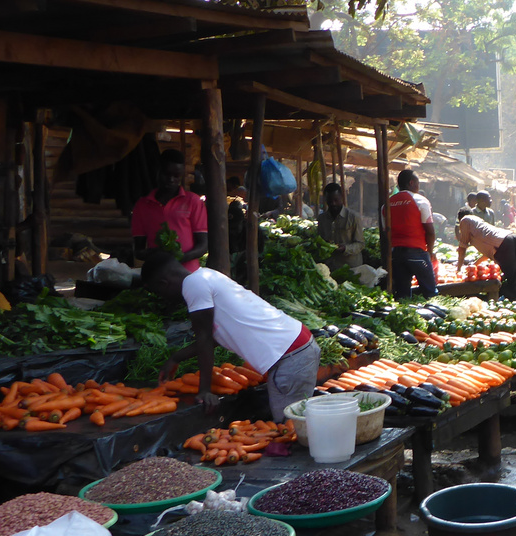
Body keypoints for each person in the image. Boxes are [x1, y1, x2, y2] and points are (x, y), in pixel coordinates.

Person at [142, 250, 318, 422]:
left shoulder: (193, 285)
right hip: (296, 349)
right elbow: (213, 338)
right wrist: (176, 358)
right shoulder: (206, 275)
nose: (164, 298)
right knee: (294, 426)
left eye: (159, 293)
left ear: (163, 283)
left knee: (290, 430)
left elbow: (203, 338)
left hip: (291, 357)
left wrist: (204, 391)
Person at [131, 149, 208, 272]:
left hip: (188, 274)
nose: (171, 180)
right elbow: (138, 251)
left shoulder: (193, 201)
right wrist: (157, 254)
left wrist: (180, 257)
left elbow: (203, 246)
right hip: (158, 274)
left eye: (176, 176)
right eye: (166, 174)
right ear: (158, 171)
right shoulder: (142, 206)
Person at [456, 208, 516, 300]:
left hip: (504, 245)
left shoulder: (464, 221)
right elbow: (488, 252)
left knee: (514, 282)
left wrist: (459, 269)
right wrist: (475, 264)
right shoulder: (478, 223)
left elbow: (462, 248)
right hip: (513, 238)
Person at [387, 169, 437, 299]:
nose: (419, 186)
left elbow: (384, 232)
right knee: (430, 293)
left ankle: (403, 315)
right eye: (418, 183)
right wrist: (430, 252)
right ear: (411, 183)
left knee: (402, 295)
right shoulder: (420, 201)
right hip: (416, 252)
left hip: (395, 254)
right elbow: (430, 232)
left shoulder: (386, 204)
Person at [317, 182, 364, 268]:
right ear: (325, 200)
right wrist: (325, 244)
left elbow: (360, 244)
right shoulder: (322, 219)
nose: (333, 203)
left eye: (336, 200)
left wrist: (345, 248)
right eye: (330, 201)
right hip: (330, 266)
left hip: (350, 266)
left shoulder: (353, 217)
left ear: (341, 198)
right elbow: (319, 240)